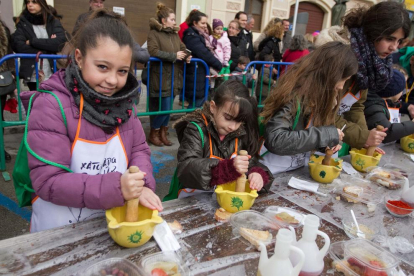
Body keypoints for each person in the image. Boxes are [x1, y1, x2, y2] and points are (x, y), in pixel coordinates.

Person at [21, 10, 162, 233]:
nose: (112, 80)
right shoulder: (51, 105)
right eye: (102, 67)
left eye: (122, 71)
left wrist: (141, 185)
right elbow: (48, 181)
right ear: (79, 57)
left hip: (111, 227)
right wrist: (117, 188)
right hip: (60, 232)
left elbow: (139, 150)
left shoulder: (125, 105)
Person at [315, 2, 410, 155]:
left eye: (399, 41)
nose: (394, 47)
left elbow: (356, 105)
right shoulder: (338, 58)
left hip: (328, 139)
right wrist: (362, 137)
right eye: (389, 39)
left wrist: (366, 138)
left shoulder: (368, 64)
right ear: (374, 32)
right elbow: (323, 110)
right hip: (302, 138)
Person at [260, 42, 358, 175]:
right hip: (269, 172)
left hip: (295, 172)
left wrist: (325, 144)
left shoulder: (323, 96)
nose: (341, 87)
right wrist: (324, 134)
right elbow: (276, 140)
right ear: (329, 75)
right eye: (342, 80)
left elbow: (306, 135)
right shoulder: (294, 95)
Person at [165, 79, 273, 200]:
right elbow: (187, 169)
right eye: (228, 118)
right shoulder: (196, 129)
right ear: (213, 107)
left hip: (222, 199)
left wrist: (257, 174)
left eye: (239, 121)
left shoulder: (239, 133)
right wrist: (228, 168)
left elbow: (250, 162)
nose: (233, 126)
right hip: (192, 197)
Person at [147, 3, 189, 147]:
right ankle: (154, 133)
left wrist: (187, 56)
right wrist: (173, 56)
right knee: (165, 109)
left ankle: (163, 133)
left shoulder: (174, 34)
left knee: (169, 109)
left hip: (174, 77)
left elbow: (183, 48)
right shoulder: (154, 33)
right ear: (164, 21)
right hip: (161, 77)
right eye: (172, 19)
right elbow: (153, 51)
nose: (175, 22)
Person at [11, 0, 67, 91]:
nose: (30, 5)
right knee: (35, 101)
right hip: (32, 72)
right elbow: (19, 46)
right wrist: (48, 46)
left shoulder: (53, 21)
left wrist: (33, 42)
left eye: (34, 2)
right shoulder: (23, 23)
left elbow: (59, 43)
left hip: (52, 70)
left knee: (51, 102)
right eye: (28, 2)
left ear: (42, 4)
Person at [182, 11, 222, 108]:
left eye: (205, 23)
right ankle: (190, 122)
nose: (205, 26)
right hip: (194, 74)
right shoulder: (191, 36)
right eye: (203, 23)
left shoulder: (199, 35)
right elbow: (203, 52)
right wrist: (218, 64)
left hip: (200, 73)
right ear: (195, 23)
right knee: (196, 104)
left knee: (199, 103)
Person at [364, 69, 414, 143]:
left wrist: (408, 106)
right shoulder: (374, 106)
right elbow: (387, 132)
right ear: (394, 92)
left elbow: (398, 105)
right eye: (401, 90)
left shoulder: (381, 100)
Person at [0, 18, 16, 162]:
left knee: (0, 117)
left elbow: (9, 52)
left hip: (1, 79)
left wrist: (12, 74)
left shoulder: (3, 28)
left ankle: (0, 147)